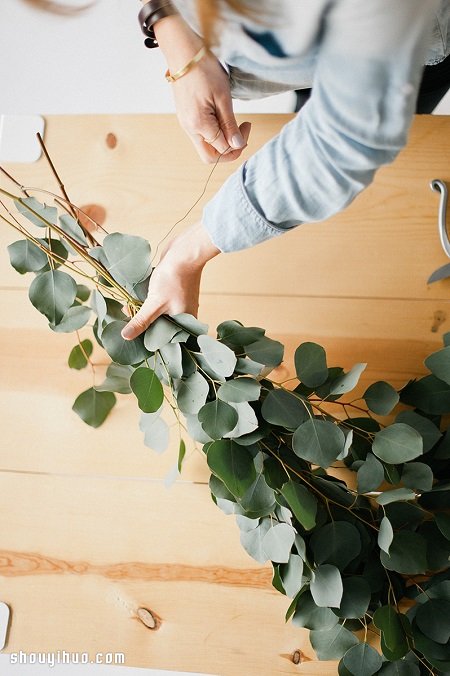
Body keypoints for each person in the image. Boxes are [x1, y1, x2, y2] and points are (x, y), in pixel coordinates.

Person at [119, 0, 450, 340]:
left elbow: (345, 137)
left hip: (411, 49)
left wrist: (191, 251)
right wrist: (176, 39)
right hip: (296, 64)